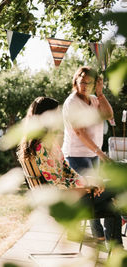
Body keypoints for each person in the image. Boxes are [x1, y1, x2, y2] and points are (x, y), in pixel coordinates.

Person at [18, 96, 122, 245]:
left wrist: (89, 183)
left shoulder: (46, 142)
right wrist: (87, 186)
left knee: (113, 202)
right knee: (117, 187)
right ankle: (117, 248)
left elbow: (67, 170)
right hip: (65, 203)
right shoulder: (41, 146)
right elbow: (57, 182)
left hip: (70, 195)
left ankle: (117, 251)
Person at [62, 66, 114, 242]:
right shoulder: (71, 103)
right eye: (82, 81)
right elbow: (79, 132)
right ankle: (93, 233)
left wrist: (100, 93)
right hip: (76, 155)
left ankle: (97, 234)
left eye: (89, 83)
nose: (85, 85)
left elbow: (109, 114)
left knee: (96, 192)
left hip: (92, 154)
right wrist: (100, 153)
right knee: (90, 193)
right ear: (76, 81)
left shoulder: (94, 100)